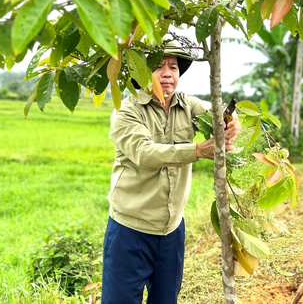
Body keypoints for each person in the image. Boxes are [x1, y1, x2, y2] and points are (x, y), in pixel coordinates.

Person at [101, 42, 241, 304]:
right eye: (158, 66)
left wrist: (232, 124)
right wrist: (198, 150)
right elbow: (145, 153)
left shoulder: (187, 105)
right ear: (140, 72)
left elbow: (215, 115)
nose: (167, 73)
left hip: (172, 230)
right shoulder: (127, 111)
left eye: (173, 67)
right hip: (131, 229)